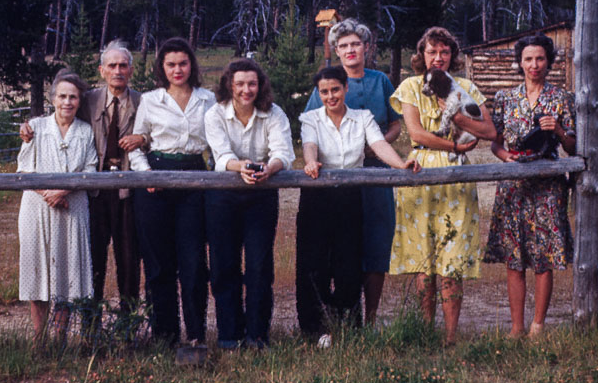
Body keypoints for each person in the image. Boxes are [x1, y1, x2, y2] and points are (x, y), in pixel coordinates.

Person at [298, 66, 420, 348]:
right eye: (325, 92)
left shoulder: (363, 118)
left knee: (348, 261)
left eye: (335, 90)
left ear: (345, 89)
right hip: (317, 196)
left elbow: (379, 145)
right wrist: (310, 162)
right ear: (319, 93)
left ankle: (346, 327)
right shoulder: (310, 118)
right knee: (314, 262)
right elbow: (309, 145)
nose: (330, 96)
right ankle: (314, 329)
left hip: (351, 197)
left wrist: (401, 163)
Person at [20, 41, 145, 315]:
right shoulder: (88, 100)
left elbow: (160, 134)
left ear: (131, 70)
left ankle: (127, 328)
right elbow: (58, 113)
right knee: (90, 261)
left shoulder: (142, 103)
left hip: (128, 191)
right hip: (93, 193)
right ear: (102, 70)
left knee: (128, 261)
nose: (118, 71)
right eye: (112, 65)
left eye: (123, 65)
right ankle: (91, 330)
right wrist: (28, 128)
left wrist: (144, 137)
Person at [388, 27, 495, 345]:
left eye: (445, 52)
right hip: (422, 170)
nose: (438, 57)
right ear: (422, 55)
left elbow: (488, 131)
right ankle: (423, 331)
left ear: (453, 56)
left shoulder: (465, 87)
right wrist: (456, 148)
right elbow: (417, 134)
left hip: (457, 178)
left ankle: (450, 336)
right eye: (432, 51)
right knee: (425, 259)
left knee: (453, 259)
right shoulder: (410, 86)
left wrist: (461, 121)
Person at [304, 18, 401, 325]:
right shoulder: (327, 82)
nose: (350, 50)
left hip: (375, 172)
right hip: (337, 178)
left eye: (355, 44)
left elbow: (396, 123)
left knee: (375, 245)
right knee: (340, 247)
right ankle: (337, 316)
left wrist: (377, 145)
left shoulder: (379, 80)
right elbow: (310, 128)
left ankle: (368, 319)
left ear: (366, 47)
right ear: (336, 49)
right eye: (343, 45)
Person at [485, 34, 576, 338]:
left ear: (549, 61)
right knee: (514, 257)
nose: (534, 65)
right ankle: (516, 327)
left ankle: (538, 325)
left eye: (539, 58)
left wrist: (560, 130)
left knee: (543, 255)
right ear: (519, 62)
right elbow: (495, 144)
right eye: (528, 59)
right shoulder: (504, 98)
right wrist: (505, 156)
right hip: (513, 185)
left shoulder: (561, 98)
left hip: (548, 185)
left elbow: (573, 148)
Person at [130, 37, 215, 346]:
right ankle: (164, 335)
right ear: (161, 68)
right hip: (155, 180)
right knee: (158, 262)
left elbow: (218, 142)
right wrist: (146, 176)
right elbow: (137, 144)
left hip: (195, 178)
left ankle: (195, 335)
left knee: (193, 261)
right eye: (170, 64)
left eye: (182, 63)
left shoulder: (208, 99)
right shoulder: (150, 100)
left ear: (191, 65)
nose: (177, 69)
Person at [204, 59, 294, 349]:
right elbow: (220, 156)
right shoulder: (215, 113)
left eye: (252, 83)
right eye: (240, 83)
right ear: (229, 84)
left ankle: (257, 335)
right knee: (224, 265)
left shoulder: (274, 113)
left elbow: (283, 152)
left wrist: (271, 167)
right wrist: (238, 166)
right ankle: (229, 336)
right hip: (223, 195)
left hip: (262, 194)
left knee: (259, 266)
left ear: (260, 85)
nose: (246, 90)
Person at [16, 69, 97, 343]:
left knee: (66, 271)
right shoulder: (35, 128)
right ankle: (39, 341)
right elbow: (24, 171)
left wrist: (63, 190)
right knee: (37, 272)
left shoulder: (85, 131)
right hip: (36, 209)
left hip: (72, 208)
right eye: (62, 96)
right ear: (52, 99)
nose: (67, 102)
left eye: (73, 97)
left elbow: (90, 168)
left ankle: (60, 340)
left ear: (79, 100)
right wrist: (48, 193)